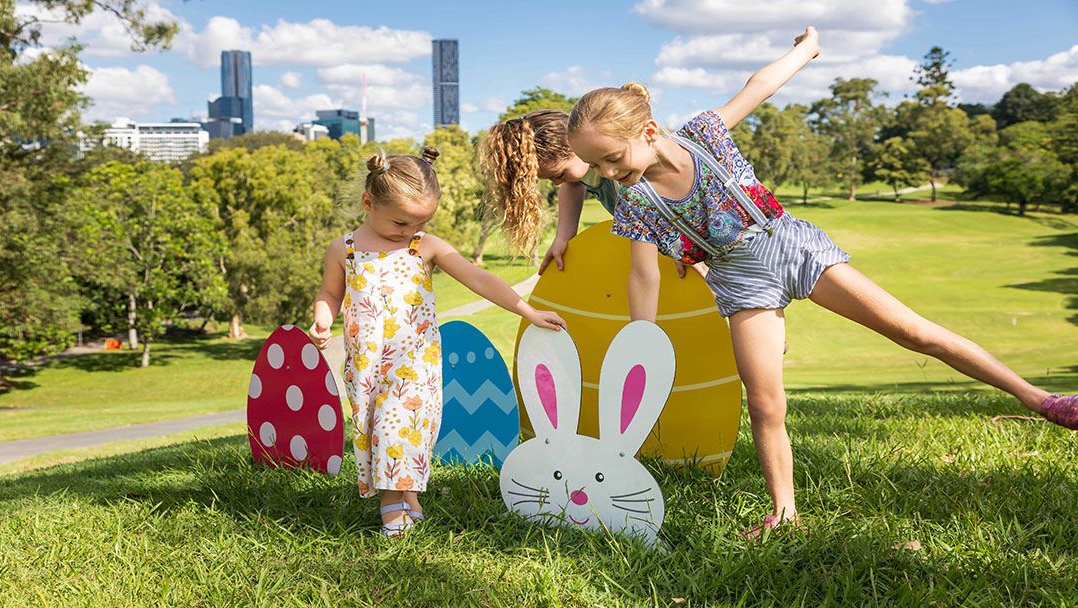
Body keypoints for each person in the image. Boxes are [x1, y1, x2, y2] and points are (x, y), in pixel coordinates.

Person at [564, 26, 1077, 537]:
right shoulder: (634, 202)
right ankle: (784, 513)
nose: (607, 174)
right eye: (597, 165)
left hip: (789, 243)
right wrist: (643, 336)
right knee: (765, 402)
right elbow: (642, 272)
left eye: (613, 158)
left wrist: (807, 50)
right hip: (739, 281)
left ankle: (1039, 400)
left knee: (913, 332)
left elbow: (759, 86)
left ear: (648, 131)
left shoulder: (704, 135)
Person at [309, 147, 566, 537]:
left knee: (400, 426)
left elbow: (479, 279)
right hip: (366, 366)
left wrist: (527, 311)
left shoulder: (423, 246)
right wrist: (322, 320)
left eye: (421, 222)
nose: (409, 230)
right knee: (375, 429)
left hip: (414, 363)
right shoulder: (343, 249)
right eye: (400, 222)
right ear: (368, 202)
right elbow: (329, 293)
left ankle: (391, 504)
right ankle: (408, 496)